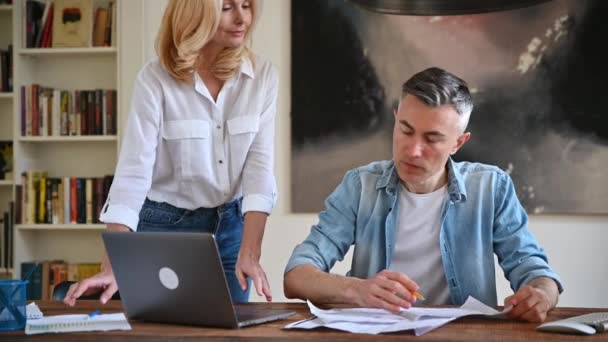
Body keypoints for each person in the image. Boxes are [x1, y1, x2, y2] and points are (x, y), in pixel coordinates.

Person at [283, 67, 563, 322]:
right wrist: (359, 290)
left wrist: (542, 295)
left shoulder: (492, 187)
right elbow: (297, 275)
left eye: (432, 138)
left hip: (465, 336)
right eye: (405, 130)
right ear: (395, 119)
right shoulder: (360, 186)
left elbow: (533, 270)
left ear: (458, 142)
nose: (413, 150)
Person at [64, 0, 278, 305]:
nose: (242, 17)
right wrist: (113, 266)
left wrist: (250, 251)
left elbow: (259, 169)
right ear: (196, 11)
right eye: (227, 7)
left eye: (246, 5)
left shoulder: (263, 76)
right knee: (163, 330)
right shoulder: (154, 80)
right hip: (164, 228)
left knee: (230, 329)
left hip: (232, 229)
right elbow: (133, 173)